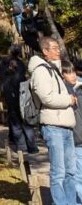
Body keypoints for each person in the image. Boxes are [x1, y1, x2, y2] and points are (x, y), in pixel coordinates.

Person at [29, 37, 77, 205]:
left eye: (58, 48)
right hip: (53, 126)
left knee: (71, 171)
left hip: (66, 126)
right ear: (45, 51)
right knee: (59, 172)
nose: (59, 51)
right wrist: (68, 100)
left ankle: (72, 202)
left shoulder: (54, 69)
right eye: (55, 48)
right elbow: (47, 98)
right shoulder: (40, 71)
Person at [0, 46, 38, 154]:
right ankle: (31, 146)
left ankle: (22, 146)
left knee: (16, 120)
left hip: (13, 94)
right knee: (24, 119)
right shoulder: (20, 63)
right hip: (21, 93)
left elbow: (3, 79)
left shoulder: (5, 64)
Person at [61, 62, 82, 205]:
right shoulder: (64, 92)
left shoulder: (79, 89)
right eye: (68, 72)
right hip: (75, 138)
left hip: (79, 137)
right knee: (77, 174)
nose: (73, 75)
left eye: (73, 72)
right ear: (62, 75)